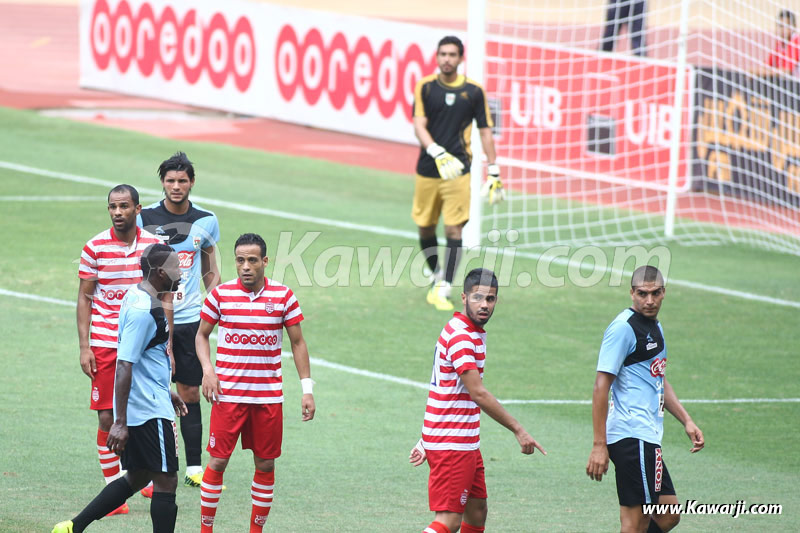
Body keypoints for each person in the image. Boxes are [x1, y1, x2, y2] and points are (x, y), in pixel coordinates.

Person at [54, 244, 189, 533]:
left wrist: (166, 389)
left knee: (138, 476)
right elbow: (124, 364)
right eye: (177, 267)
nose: (182, 271)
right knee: (167, 480)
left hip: (149, 399)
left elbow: (144, 358)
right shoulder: (144, 310)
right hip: (149, 411)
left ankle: (73, 527)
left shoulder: (137, 294)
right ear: (162, 273)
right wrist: (119, 423)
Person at [195, 233, 316, 533]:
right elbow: (201, 335)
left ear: (265, 261)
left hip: (267, 399)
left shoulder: (284, 296)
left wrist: (307, 390)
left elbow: (298, 343)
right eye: (240, 260)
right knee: (218, 462)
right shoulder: (220, 295)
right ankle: (205, 530)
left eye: (252, 260)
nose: (245, 266)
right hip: (228, 397)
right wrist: (208, 370)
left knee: (265, 465)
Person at [409, 268, 545, 533]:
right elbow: (478, 393)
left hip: (462, 439)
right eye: (478, 298)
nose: (484, 305)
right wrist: (518, 429)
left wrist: (427, 439)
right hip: (453, 442)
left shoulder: (468, 330)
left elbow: (446, 390)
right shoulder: (461, 336)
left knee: (477, 511)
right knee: (448, 521)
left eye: (490, 299)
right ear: (463, 297)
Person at [586, 266, 705, 533]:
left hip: (648, 437)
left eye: (655, 293)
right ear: (631, 293)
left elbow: (658, 378)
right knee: (635, 523)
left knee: (668, 514)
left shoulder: (654, 326)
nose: (649, 301)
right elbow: (600, 387)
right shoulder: (623, 329)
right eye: (642, 294)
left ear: (664, 293)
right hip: (631, 437)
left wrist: (686, 420)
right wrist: (598, 445)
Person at [77, 184, 161, 515]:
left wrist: (164, 340)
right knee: (107, 415)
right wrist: (85, 346)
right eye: (112, 206)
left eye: (124, 206)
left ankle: (146, 476)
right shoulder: (94, 247)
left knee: (150, 409)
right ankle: (112, 487)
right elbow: (85, 297)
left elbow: (164, 296)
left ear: (138, 209)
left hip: (145, 343)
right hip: (105, 342)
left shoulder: (155, 246)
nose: (117, 212)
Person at [138, 151, 221, 489]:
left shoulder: (207, 220)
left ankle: (194, 467)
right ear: (162, 182)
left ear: (191, 183)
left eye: (182, 180)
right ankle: (142, 470)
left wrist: (221, 305)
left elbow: (210, 270)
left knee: (189, 390)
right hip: (151, 318)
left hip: (188, 320)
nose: (176, 186)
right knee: (149, 392)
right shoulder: (144, 218)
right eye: (170, 180)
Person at [412, 36, 504, 312]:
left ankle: (445, 286)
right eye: (443, 54)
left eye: (452, 54)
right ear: (437, 57)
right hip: (429, 168)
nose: (447, 59)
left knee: (454, 228)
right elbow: (419, 125)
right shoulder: (425, 87)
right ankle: (436, 272)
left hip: (459, 170)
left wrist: (494, 169)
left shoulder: (474, 92)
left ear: (461, 58)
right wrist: (436, 151)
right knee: (425, 226)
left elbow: (485, 130)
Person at [767, 10, 799, 76]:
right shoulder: (780, 44)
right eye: (780, 26)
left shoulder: (796, 42)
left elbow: (786, 70)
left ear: (793, 27)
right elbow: (768, 65)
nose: (782, 29)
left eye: (786, 26)